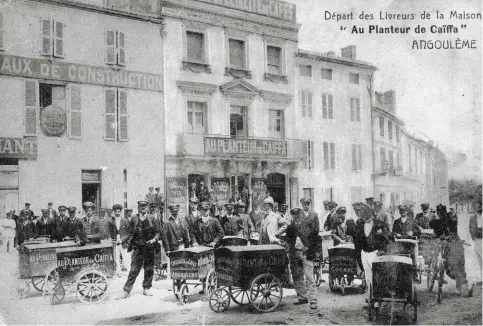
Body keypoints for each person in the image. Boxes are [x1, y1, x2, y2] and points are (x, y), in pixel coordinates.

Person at [120, 200, 160, 298]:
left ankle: (146, 288)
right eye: (141, 206)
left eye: (145, 206)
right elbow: (129, 232)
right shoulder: (134, 218)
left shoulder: (152, 218)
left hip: (149, 247)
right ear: (138, 207)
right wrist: (122, 241)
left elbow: (158, 231)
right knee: (134, 269)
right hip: (138, 247)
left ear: (147, 207)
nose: (143, 207)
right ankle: (127, 290)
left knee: (149, 268)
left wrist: (154, 239)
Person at [285, 207, 320, 309]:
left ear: (301, 215)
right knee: (297, 276)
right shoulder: (290, 228)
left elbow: (315, 239)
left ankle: (313, 300)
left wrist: (310, 248)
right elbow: (287, 240)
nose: (296, 217)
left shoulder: (308, 226)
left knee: (309, 277)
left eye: (298, 215)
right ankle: (302, 297)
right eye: (294, 215)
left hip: (306, 254)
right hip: (294, 254)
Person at [353, 204, 389, 292]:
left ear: (370, 213)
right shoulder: (359, 225)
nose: (363, 215)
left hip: (375, 253)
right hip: (364, 253)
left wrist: (382, 250)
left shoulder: (379, 224)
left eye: (365, 213)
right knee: (368, 276)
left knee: (377, 275)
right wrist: (358, 260)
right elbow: (357, 242)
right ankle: (370, 297)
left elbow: (387, 239)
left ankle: (377, 298)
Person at [469, 199, 482, 285]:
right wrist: (473, 236)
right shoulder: (473, 217)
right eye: (476, 207)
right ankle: (481, 278)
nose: (478, 208)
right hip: (476, 240)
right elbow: (470, 227)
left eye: (479, 206)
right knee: (479, 260)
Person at [109, 204, 124, 276]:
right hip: (115, 239)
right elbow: (109, 231)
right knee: (116, 255)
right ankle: (118, 271)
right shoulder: (111, 221)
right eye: (116, 211)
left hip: (122, 239)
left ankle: (130, 272)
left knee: (125, 255)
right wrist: (112, 239)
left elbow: (129, 232)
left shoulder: (125, 220)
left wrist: (123, 240)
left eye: (119, 211)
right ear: (114, 212)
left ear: (121, 212)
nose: (117, 213)